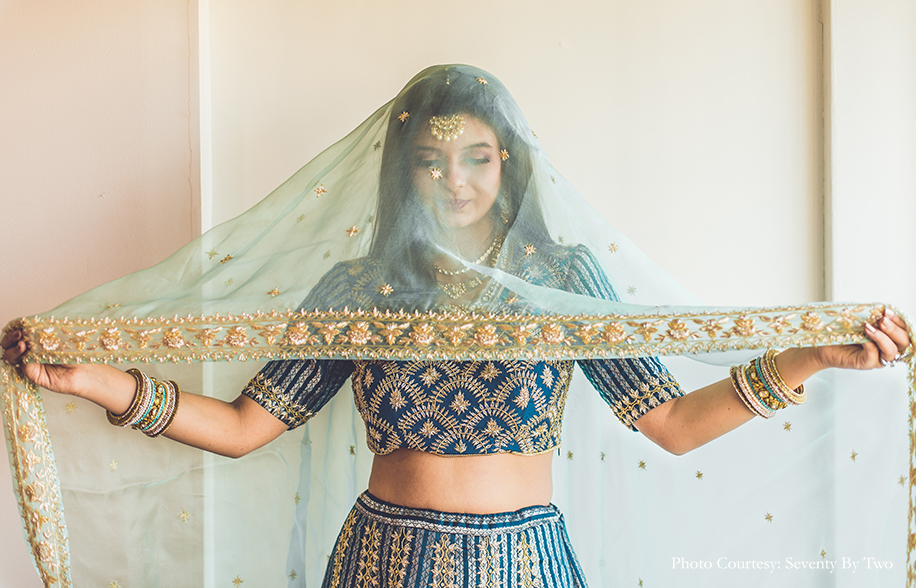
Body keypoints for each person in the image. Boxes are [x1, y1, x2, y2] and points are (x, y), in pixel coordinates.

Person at [2, 65, 911, 587]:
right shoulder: (361, 289)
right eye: (432, 159)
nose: (457, 179)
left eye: (478, 156)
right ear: (403, 169)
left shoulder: (562, 283)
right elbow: (246, 425)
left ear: (509, 163)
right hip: (385, 559)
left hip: (525, 563)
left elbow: (669, 422)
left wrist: (810, 359)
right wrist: (95, 381)